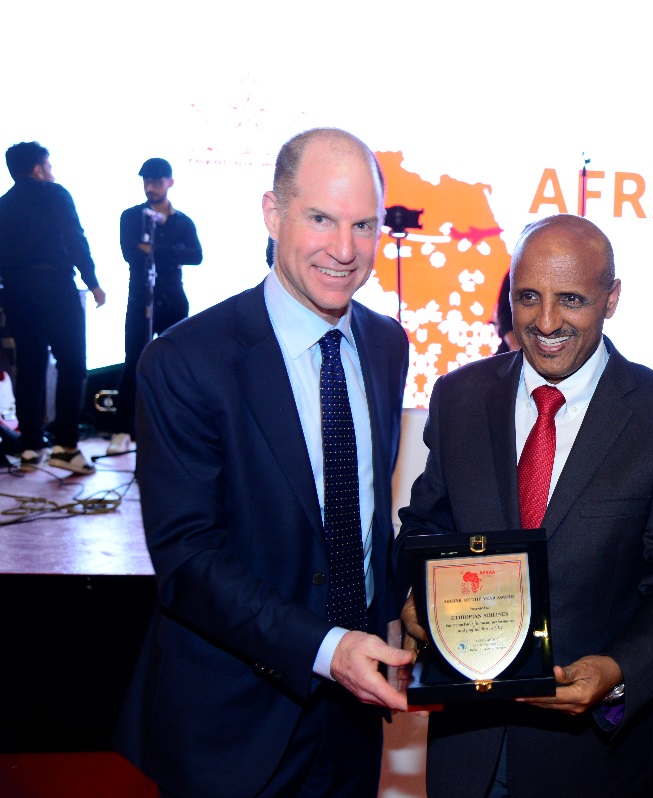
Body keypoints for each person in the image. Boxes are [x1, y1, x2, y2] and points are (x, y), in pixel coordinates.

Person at [113, 128, 414, 797]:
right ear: (273, 215)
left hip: (355, 714)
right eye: (320, 219)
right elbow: (188, 562)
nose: (345, 250)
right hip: (234, 721)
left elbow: (362, 516)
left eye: (364, 225)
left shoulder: (388, 344)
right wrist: (326, 648)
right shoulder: (187, 361)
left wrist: (404, 605)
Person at [398, 214, 653, 798]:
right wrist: (412, 599)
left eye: (570, 299)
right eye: (528, 297)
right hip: (467, 751)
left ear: (612, 298)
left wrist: (618, 671)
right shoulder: (459, 397)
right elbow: (426, 527)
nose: (545, 322)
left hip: (596, 761)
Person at [0, 141, 106, 475]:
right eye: (48, 165)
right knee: (73, 364)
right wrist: (93, 281)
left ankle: (31, 448)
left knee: (30, 366)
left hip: (15, 292)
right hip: (54, 287)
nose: (51, 171)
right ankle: (66, 446)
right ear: (37, 168)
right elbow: (75, 237)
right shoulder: (55, 194)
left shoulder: (2, 205)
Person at [108, 157, 203, 456]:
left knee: (177, 364)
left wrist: (155, 250)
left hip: (173, 298)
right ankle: (122, 430)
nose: (151, 187)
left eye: (157, 181)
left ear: (169, 183)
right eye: (146, 182)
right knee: (133, 361)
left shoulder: (182, 220)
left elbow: (196, 255)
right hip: (140, 298)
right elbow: (130, 253)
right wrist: (168, 252)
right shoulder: (132, 216)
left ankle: (179, 430)